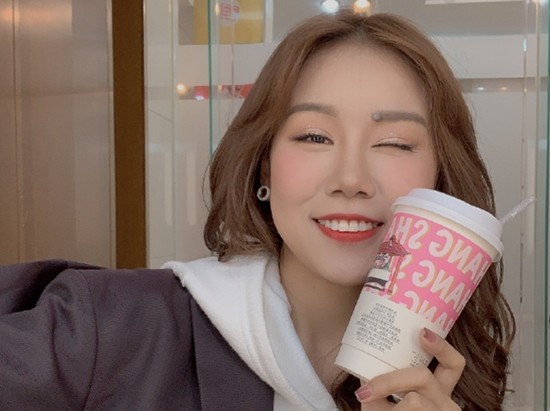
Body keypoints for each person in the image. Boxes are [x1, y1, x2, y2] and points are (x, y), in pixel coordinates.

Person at [0, 7, 515, 411]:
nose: (351, 180)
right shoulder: (105, 329)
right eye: (314, 136)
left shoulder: (454, 379)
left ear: (439, 179)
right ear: (264, 169)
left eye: (395, 143)